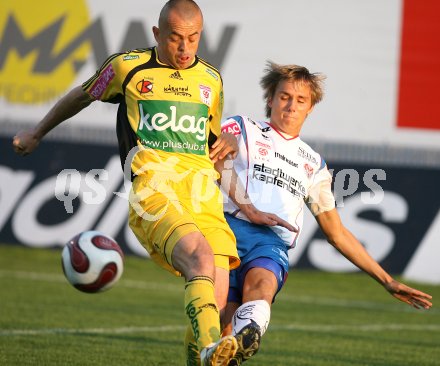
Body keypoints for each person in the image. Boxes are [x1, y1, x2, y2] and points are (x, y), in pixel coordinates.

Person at [13, 1, 243, 365]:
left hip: (204, 197)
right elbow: (81, 95)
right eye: (175, 38)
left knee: (216, 299)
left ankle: (205, 353)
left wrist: (234, 156)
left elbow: (213, 145)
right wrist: (37, 133)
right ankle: (213, 349)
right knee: (199, 260)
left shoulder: (211, 80)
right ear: (156, 34)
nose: (184, 49)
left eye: (193, 38)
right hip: (155, 192)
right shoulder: (128, 67)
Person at [216, 61, 433, 365]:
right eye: (284, 96)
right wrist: (219, 139)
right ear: (270, 98)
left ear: (310, 108)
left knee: (261, 287)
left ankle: (250, 332)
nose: (291, 106)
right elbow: (213, 150)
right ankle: (231, 342)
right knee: (220, 337)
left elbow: (336, 233)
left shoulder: (313, 164)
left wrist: (386, 280)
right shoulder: (242, 127)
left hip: (270, 243)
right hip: (223, 232)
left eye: (300, 100)